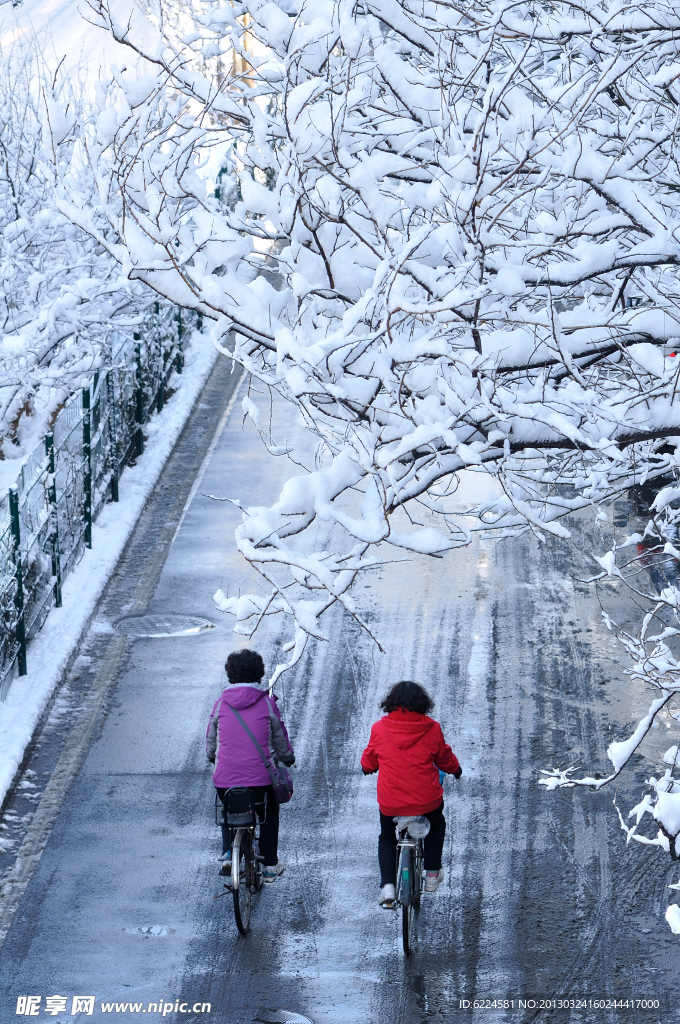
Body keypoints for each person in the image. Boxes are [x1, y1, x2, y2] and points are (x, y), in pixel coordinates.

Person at [361, 680, 462, 907]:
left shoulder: (379, 728)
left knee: (387, 837)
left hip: (391, 802)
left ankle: (388, 886)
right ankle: (432, 873)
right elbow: (444, 757)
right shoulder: (432, 728)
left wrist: (367, 768)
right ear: (422, 704)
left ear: (391, 703)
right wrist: (456, 769)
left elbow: (369, 759)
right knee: (437, 824)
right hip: (426, 800)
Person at [206, 649, 294, 883]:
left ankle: (227, 854)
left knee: (229, 809)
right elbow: (280, 740)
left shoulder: (220, 705)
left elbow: (211, 741)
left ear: (230, 675)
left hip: (225, 780)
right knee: (269, 813)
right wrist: (287, 758)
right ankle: (269, 865)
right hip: (261, 782)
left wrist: (212, 756)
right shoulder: (266, 704)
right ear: (259, 674)